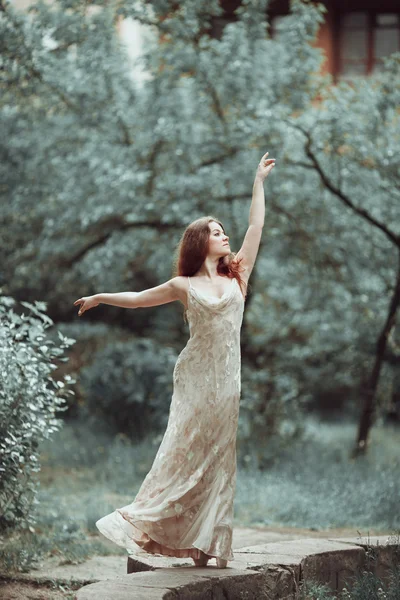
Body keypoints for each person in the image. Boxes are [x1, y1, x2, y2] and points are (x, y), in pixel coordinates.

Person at [73, 151, 276, 568]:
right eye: (216, 232)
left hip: (228, 384)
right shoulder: (183, 284)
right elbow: (138, 300)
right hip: (196, 381)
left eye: (223, 231)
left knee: (220, 461)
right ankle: (145, 520)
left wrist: (258, 182)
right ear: (200, 241)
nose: (224, 236)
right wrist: (100, 296)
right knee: (184, 456)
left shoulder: (238, 272)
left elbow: (256, 226)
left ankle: (209, 545)